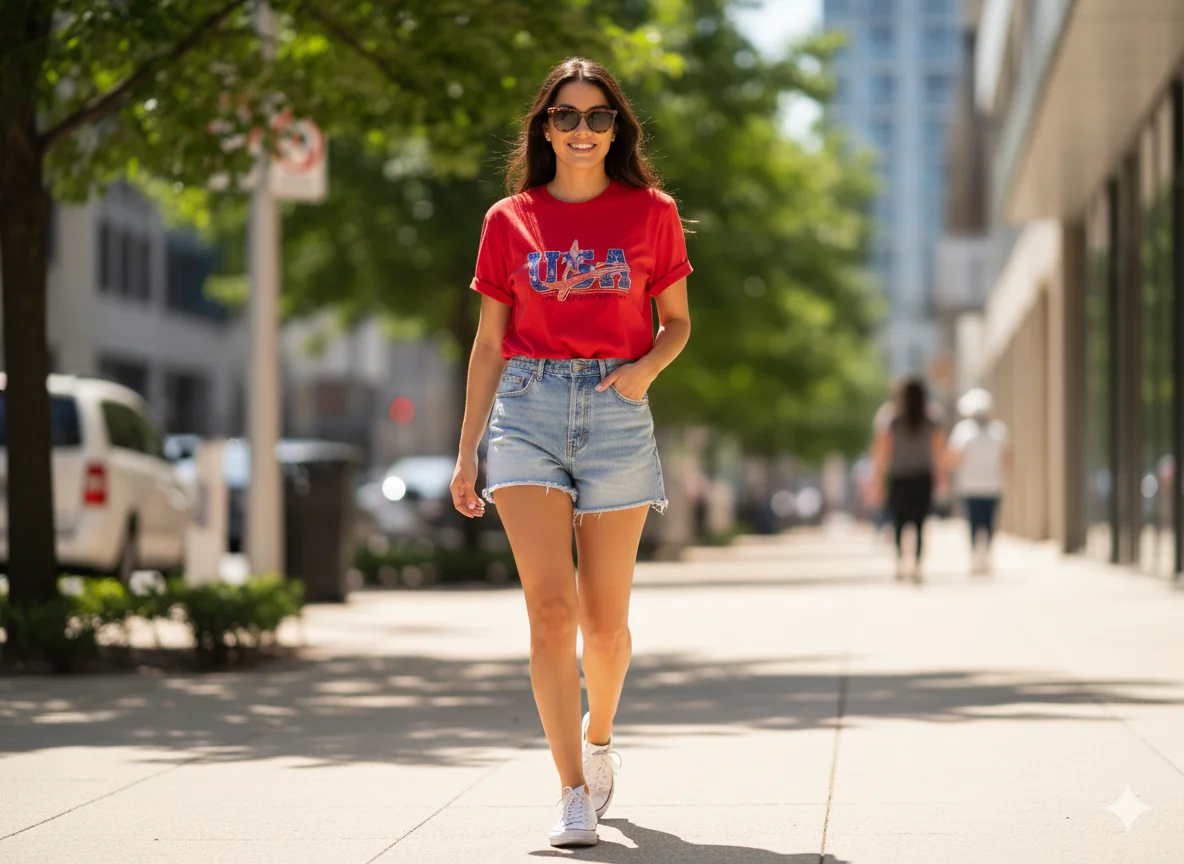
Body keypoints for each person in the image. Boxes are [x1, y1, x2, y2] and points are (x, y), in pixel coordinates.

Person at [448, 57, 692, 848]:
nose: (581, 130)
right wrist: (466, 453)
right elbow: (488, 345)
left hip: (616, 411)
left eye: (597, 117)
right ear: (543, 127)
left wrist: (640, 375)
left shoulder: (651, 212)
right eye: (566, 116)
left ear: (616, 128)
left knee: (605, 625)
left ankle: (600, 734)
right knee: (550, 613)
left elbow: (677, 322)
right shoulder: (507, 219)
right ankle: (571, 791)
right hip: (526, 410)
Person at [870, 377, 946, 582]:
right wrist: (941, 476)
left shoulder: (891, 419)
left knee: (899, 523)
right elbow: (939, 452)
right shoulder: (931, 418)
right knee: (921, 524)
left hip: (899, 477)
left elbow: (882, 451)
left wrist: (877, 479)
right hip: (923, 476)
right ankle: (917, 567)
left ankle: (900, 563)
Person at [945, 388, 1010, 574]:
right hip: (991, 485)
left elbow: (954, 457)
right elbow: (1006, 459)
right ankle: (985, 556)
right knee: (988, 522)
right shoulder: (999, 430)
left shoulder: (963, 431)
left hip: (972, 485)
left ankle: (978, 556)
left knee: (975, 523)